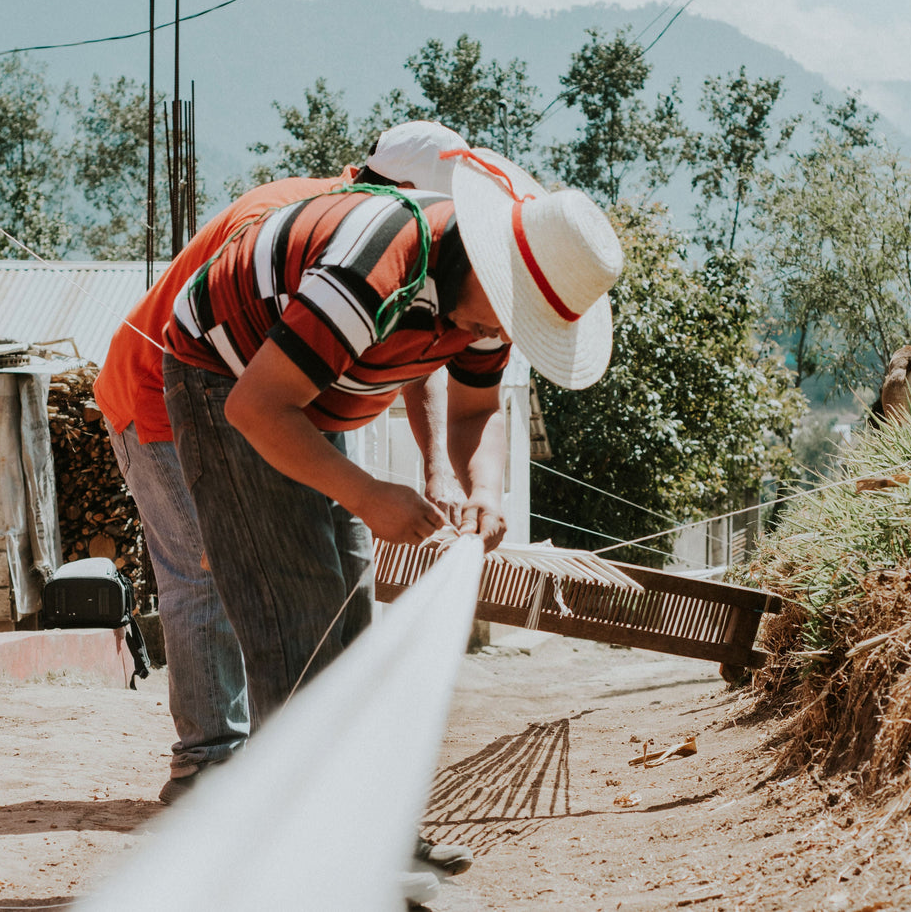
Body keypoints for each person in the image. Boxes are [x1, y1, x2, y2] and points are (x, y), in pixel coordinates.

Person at [159, 148, 622, 894]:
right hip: (228, 380)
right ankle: (310, 861)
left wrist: (486, 490)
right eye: (511, 319)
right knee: (295, 616)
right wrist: (369, 494)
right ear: (487, 267)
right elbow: (255, 406)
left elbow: (476, 411)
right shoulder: (377, 264)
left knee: (345, 604)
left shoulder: (491, 302)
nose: (502, 335)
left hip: (302, 395)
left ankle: (365, 829)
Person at [92, 122, 471, 808]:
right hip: (169, 393)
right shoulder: (302, 214)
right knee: (210, 570)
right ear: (406, 194)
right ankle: (209, 767)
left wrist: (436, 470)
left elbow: (419, 352)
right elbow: (241, 361)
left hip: (297, 406)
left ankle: (328, 773)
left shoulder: (423, 248)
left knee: (333, 565)